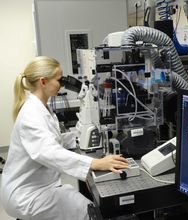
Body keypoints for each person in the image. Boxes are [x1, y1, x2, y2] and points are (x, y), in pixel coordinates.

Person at [0, 56, 129, 220]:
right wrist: (95, 163)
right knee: (86, 210)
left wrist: (78, 137)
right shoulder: (31, 114)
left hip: (39, 186)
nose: (63, 83)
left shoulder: (42, 107)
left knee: (71, 195)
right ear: (43, 82)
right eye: (59, 79)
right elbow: (48, 151)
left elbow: (54, 139)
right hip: (26, 194)